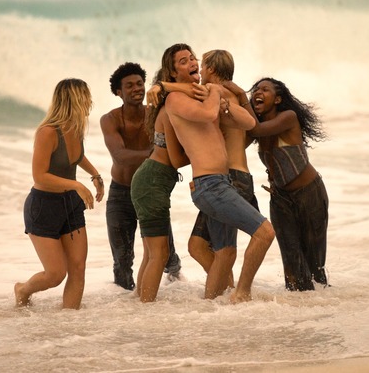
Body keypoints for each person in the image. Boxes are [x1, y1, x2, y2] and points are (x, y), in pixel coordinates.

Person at [162, 43, 275, 303]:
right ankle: (241, 293)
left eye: (194, 59)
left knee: (224, 253)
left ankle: (211, 308)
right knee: (265, 233)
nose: (193, 64)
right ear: (172, 70)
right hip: (210, 185)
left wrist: (226, 102)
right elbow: (206, 113)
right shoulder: (178, 99)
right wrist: (214, 93)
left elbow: (248, 123)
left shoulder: (206, 95)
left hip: (222, 181)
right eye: (184, 61)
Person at [14, 78, 105, 309]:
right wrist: (76, 185)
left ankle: (69, 323)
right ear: (73, 99)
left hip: (70, 206)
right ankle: (22, 289)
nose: (90, 101)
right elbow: (40, 176)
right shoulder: (47, 132)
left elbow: (76, 156)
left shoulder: (76, 128)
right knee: (55, 274)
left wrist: (95, 175)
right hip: (44, 206)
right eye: (85, 96)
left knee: (78, 268)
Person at [100, 62, 181, 291]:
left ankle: (178, 289)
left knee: (167, 257)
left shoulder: (154, 113)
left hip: (149, 191)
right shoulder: (110, 119)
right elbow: (120, 155)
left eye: (139, 84)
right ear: (119, 92)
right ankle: (127, 306)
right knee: (122, 261)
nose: (136, 88)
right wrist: (156, 154)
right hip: (121, 193)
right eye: (129, 86)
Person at [130, 62, 206, 302]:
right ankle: (146, 309)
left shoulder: (167, 108)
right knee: (159, 255)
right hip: (152, 182)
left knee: (151, 254)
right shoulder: (170, 110)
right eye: (184, 61)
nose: (194, 63)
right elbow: (174, 159)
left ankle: (138, 304)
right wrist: (203, 154)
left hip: (148, 180)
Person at [246, 77, 329, 291]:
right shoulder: (258, 125)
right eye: (255, 89)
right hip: (280, 199)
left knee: (314, 265)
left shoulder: (288, 117)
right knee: (292, 265)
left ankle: (322, 312)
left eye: (265, 89)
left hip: (309, 194)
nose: (257, 92)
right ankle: (297, 317)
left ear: (278, 99)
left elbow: (256, 130)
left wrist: (238, 96)